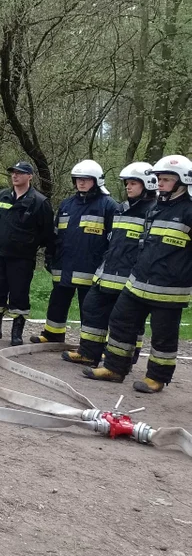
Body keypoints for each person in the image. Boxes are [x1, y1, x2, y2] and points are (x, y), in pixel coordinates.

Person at [83, 155, 192, 393]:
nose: (159, 183)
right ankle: (114, 368)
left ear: (182, 181)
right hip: (137, 282)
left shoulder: (189, 211)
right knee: (120, 321)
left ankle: (157, 377)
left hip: (169, 289)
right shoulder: (155, 209)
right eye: (158, 179)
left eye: (165, 179)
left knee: (163, 336)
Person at [63, 163, 157, 366]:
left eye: (133, 183)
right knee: (92, 309)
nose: (128, 187)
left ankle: (126, 357)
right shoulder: (121, 208)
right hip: (107, 274)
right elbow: (112, 241)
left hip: (131, 278)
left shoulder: (153, 212)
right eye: (127, 184)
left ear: (147, 184)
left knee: (128, 321)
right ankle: (89, 353)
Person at [30, 160, 118, 344]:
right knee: (57, 302)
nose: (81, 182)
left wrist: (106, 266)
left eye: (86, 179)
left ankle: (91, 344)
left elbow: (114, 240)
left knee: (90, 307)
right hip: (63, 265)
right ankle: (53, 334)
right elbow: (55, 233)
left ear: (97, 181)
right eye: (78, 179)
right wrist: (50, 254)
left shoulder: (109, 206)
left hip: (91, 269)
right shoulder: (67, 204)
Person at [0, 161, 54, 345]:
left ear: (30, 176)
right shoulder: (1, 196)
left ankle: (17, 332)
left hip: (22, 259)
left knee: (19, 295)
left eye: (20, 173)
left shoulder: (39, 202)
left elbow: (47, 233)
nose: (15, 176)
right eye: (13, 172)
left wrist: (30, 245)